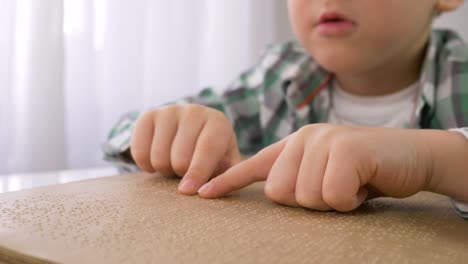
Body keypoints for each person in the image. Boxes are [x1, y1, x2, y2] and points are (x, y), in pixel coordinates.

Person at [104, 0, 468, 218]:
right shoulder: (280, 75)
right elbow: (124, 130)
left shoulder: (459, 75)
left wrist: (433, 160)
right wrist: (169, 131)